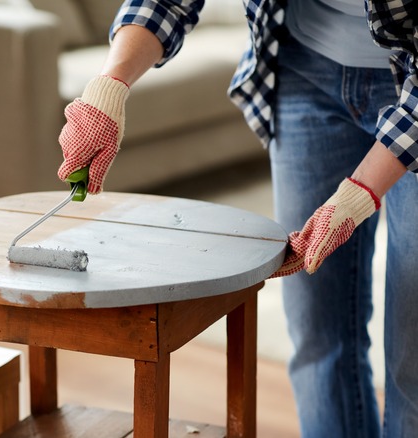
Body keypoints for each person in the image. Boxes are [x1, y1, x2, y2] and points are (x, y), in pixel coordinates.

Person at [55, 0, 418, 436]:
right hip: (304, 64)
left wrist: (361, 192)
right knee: (317, 329)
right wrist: (109, 86)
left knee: (411, 355)